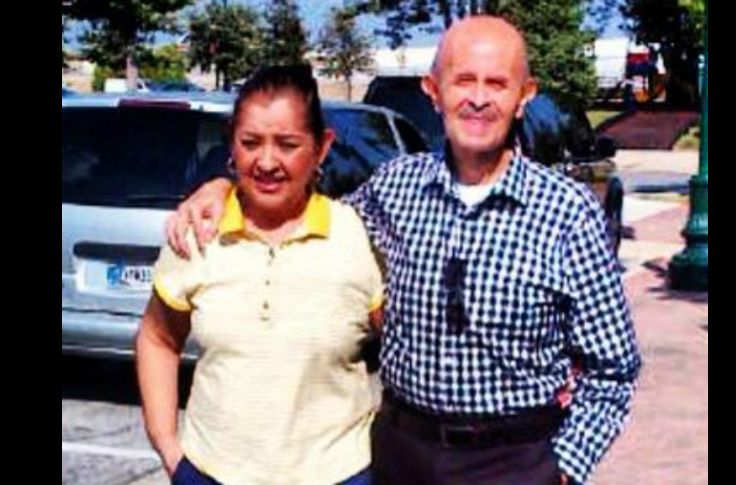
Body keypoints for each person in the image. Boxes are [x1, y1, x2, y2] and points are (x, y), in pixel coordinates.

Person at [167, 15, 641, 485]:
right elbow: (301, 207)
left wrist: (562, 470)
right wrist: (224, 186)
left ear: (524, 95)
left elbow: (613, 369)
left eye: (497, 83)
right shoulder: (394, 187)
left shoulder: (567, 212)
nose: (478, 98)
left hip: (513, 460)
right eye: (463, 81)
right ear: (433, 90)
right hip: (402, 455)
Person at [136, 64, 383, 485]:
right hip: (213, 472)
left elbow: (403, 347)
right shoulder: (199, 233)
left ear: (322, 148)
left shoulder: (356, 233)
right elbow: (157, 338)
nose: (267, 161)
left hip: (338, 474)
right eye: (250, 143)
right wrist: (167, 445)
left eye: (287, 144)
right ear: (232, 144)